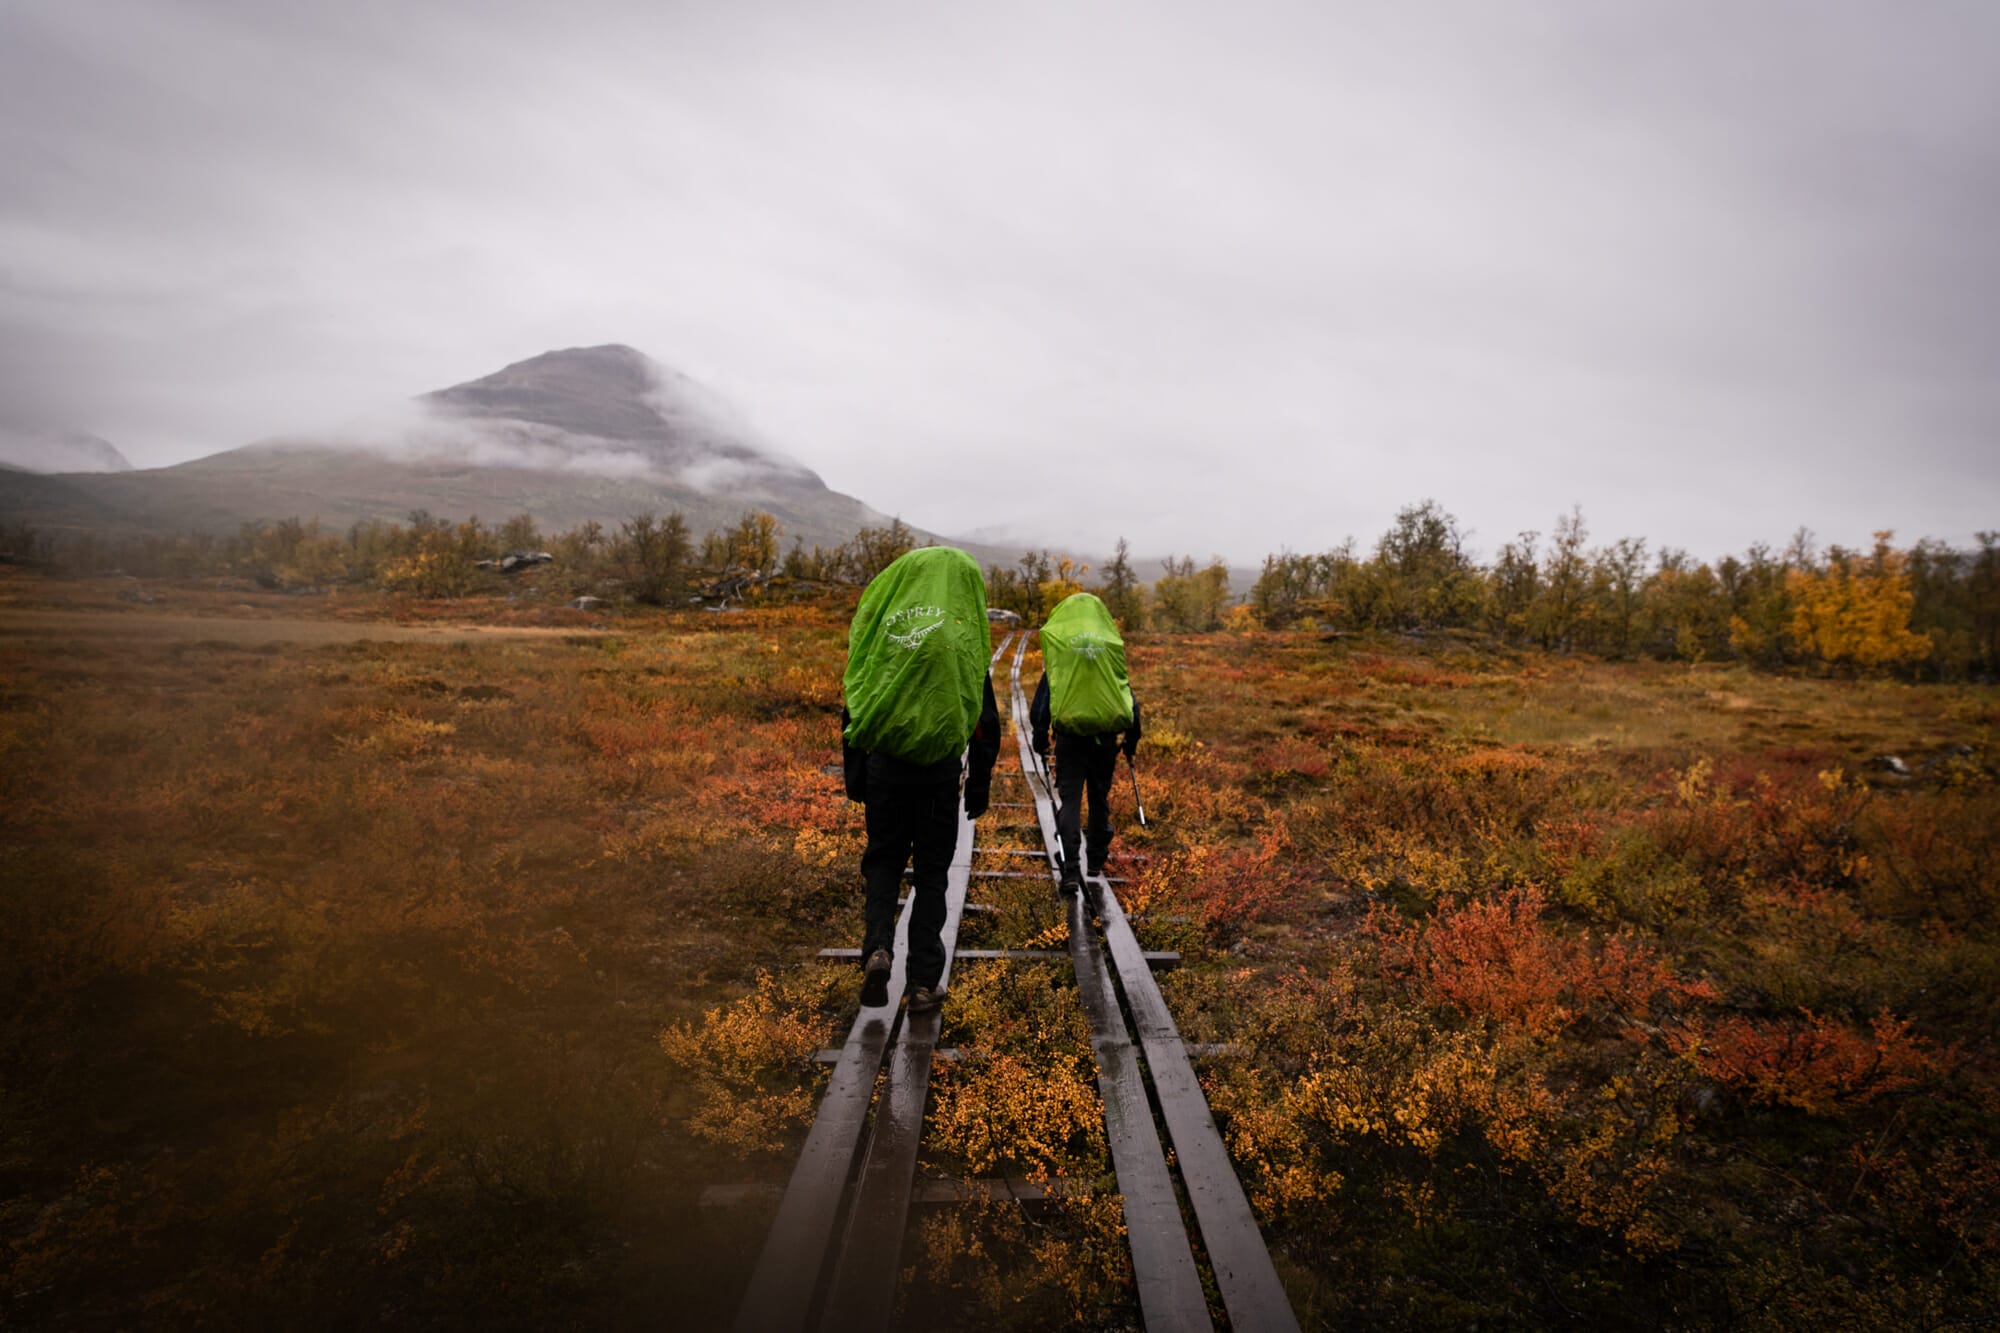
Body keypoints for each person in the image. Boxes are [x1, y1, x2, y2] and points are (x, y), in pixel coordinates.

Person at [840, 547, 1001, 1012]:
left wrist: (856, 773)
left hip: (884, 770)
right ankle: (924, 984)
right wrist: (980, 780)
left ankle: (876, 950)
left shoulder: (885, 632)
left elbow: (858, 694)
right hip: (937, 776)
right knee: (932, 875)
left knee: (884, 862)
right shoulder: (960, 640)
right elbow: (984, 718)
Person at [1030, 592, 1141, 895]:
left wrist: (1040, 736)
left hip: (1070, 742)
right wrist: (1131, 739)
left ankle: (1069, 870)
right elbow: (1127, 697)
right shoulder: (1108, 650)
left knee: (1070, 802)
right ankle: (1095, 861)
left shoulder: (1062, 653)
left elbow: (1043, 701)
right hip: (1105, 741)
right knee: (1099, 798)